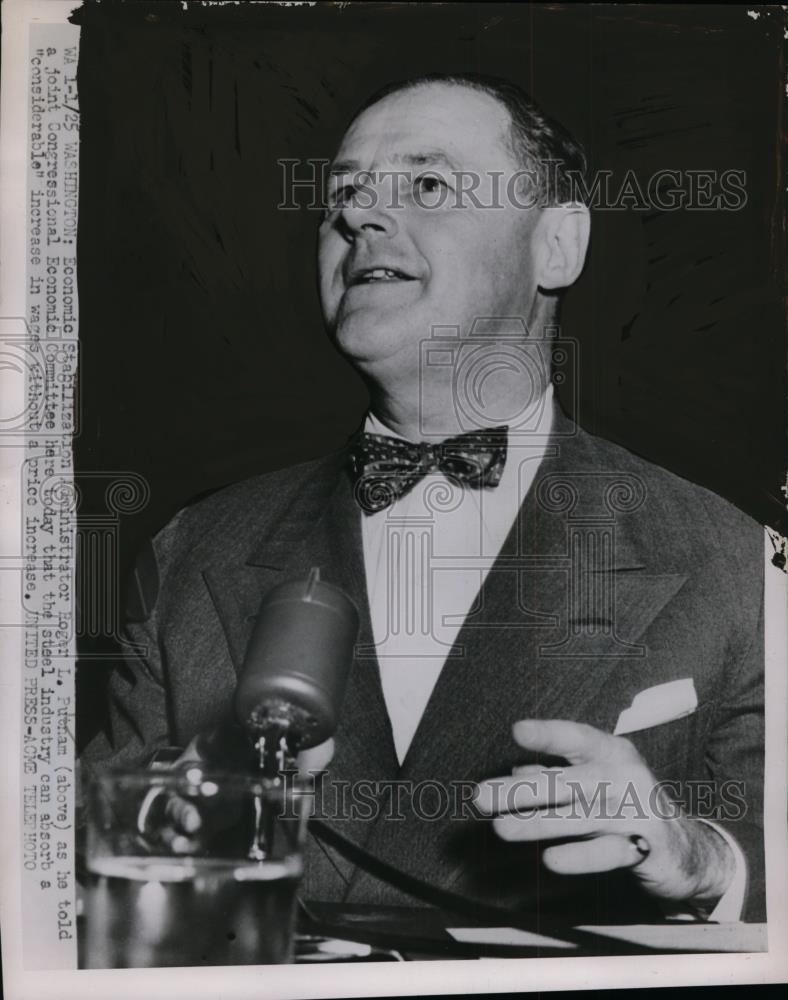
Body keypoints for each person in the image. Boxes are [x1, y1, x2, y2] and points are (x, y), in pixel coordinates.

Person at [81, 73, 765, 927]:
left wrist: (704, 860)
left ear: (557, 246)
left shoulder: (738, 563)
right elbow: (64, 871)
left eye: (430, 184)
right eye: (342, 196)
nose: (359, 217)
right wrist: (169, 818)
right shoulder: (191, 549)